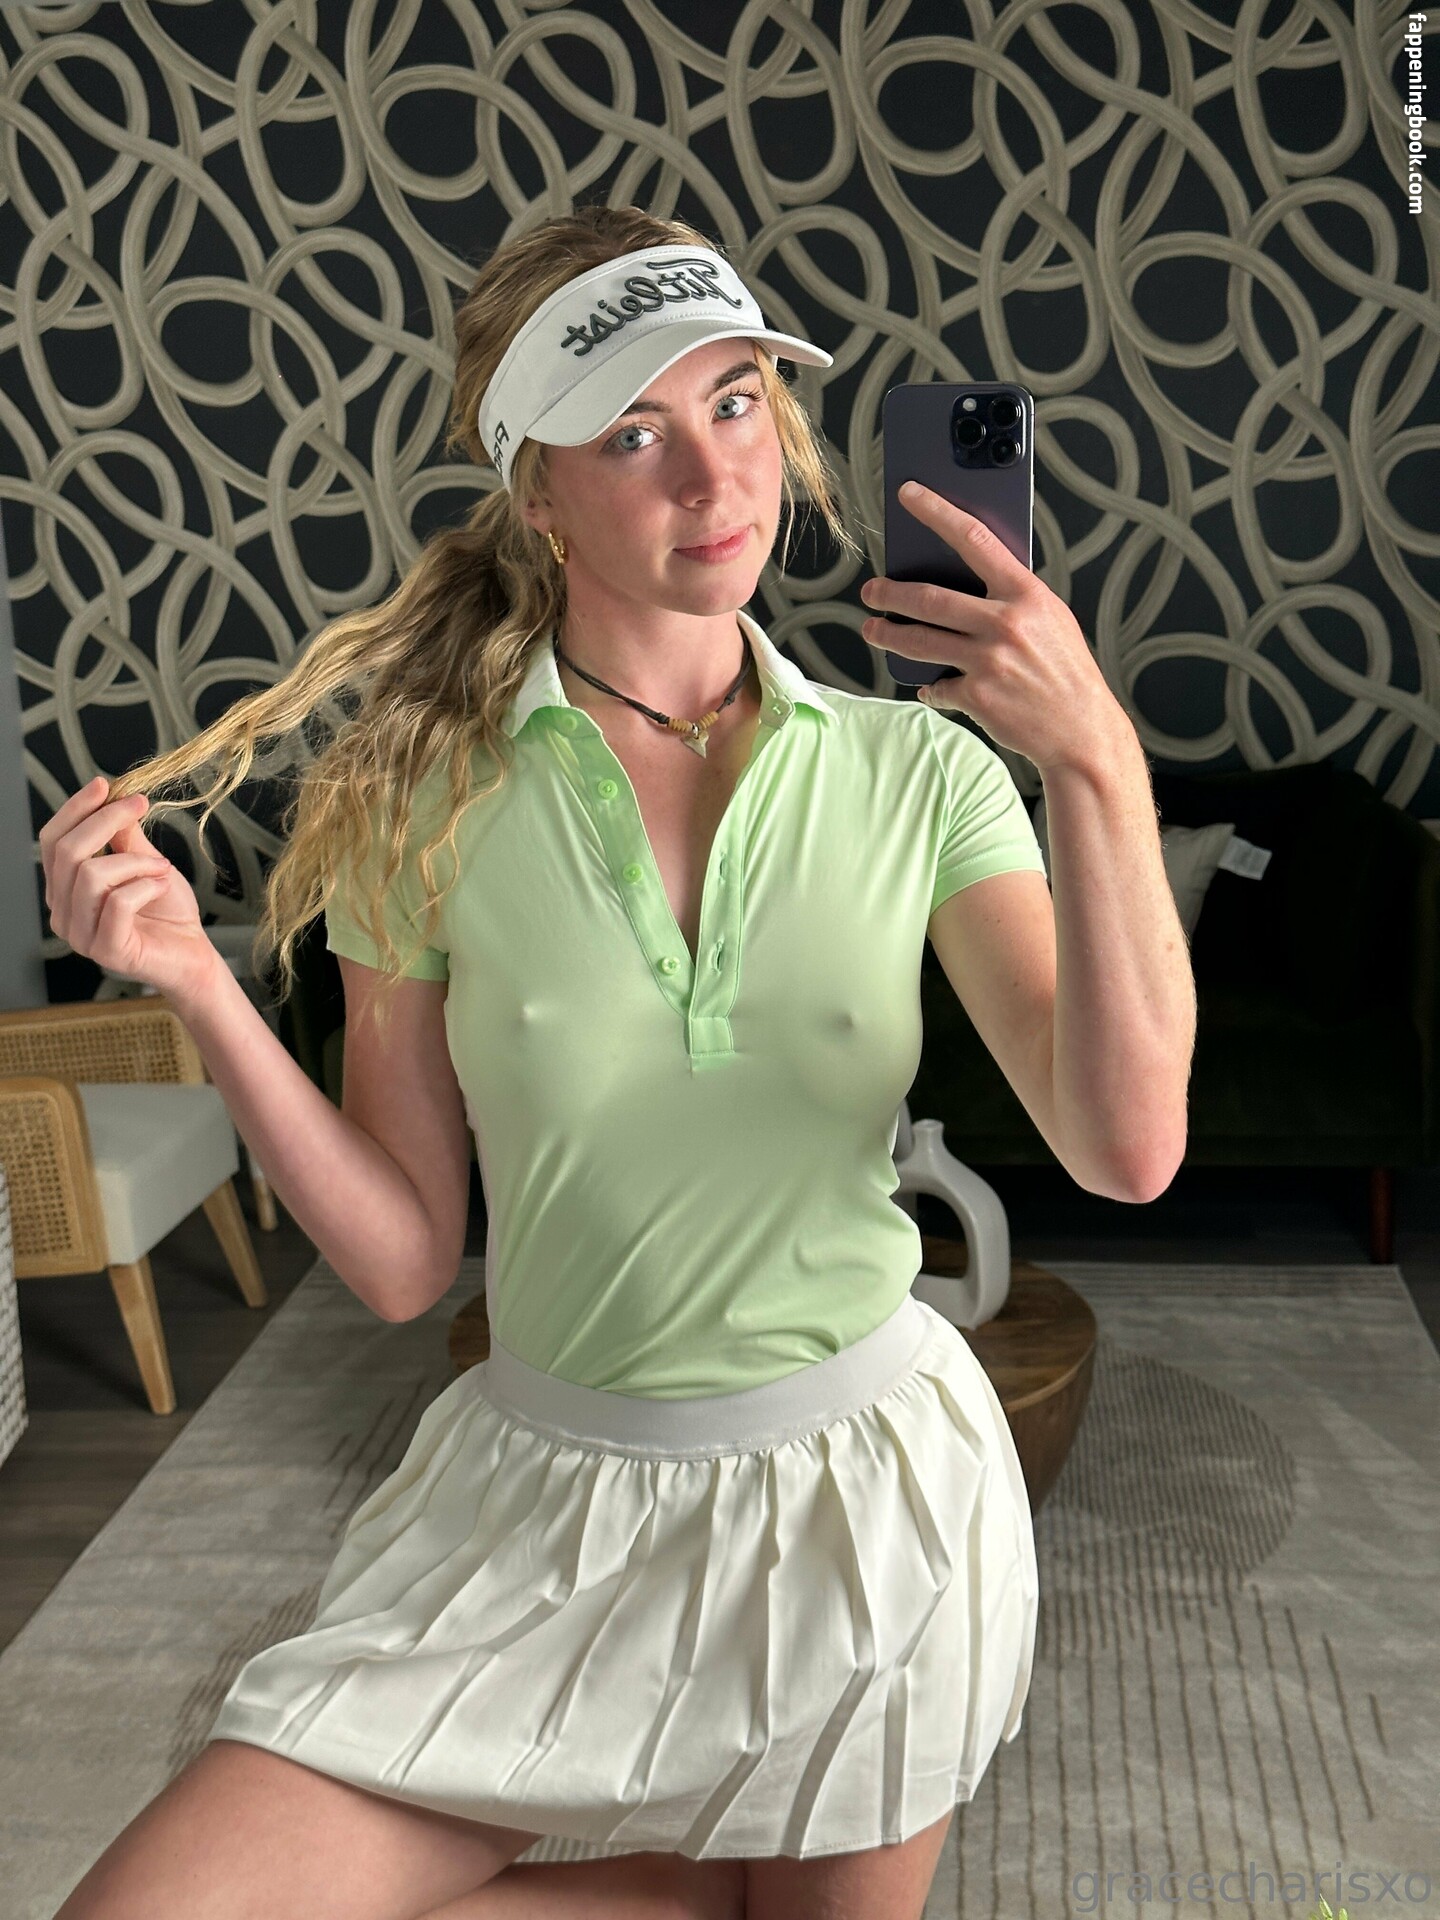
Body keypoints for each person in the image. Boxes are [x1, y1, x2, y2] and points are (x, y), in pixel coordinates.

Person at [39, 202, 1090, 1920]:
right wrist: (195, 987)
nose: (715, 475)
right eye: (632, 433)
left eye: (737, 401)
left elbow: (1127, 1146)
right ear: (538, 493)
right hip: (535, 1508)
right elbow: (401, 1262)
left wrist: (1094, 761)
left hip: (865, 1506)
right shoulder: (414, 798)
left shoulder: (921, 771)